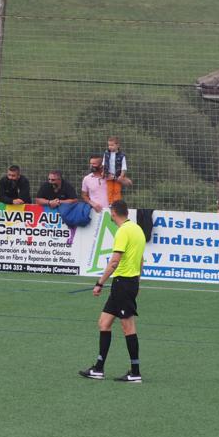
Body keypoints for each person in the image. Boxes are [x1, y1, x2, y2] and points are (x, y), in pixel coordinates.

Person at [79, 199, 145, 383]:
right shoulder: (137, 229)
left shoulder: (123, 231)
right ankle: (98, 369)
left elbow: (114, 262)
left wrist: (99, 283)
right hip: (126, 283)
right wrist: (138, 282)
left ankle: (135, 372)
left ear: (113, 212)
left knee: (128, 327)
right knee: (104, 323)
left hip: (123, 283)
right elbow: (141, 260)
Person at [102, 136, 130, 204]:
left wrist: (121, 176)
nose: (110, 147)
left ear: (117, 145)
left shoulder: (122, 155)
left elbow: (124, 167)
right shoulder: (106, 153)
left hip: (117, 176)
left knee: (117, 190)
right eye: (109, 145)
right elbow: (103, 163)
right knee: (109, 190)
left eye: (112, 145)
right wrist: (103, 172)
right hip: (108, 175)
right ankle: (110, 203)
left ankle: (117, 203)